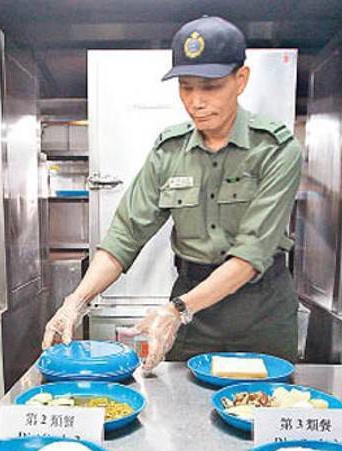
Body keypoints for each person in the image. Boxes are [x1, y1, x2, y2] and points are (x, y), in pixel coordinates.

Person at [42, 15, 302, 372]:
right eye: (186, 87)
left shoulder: (275, 149)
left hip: (261, 308)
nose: (196, 101)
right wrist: (75, 301)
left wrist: (177, 309)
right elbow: (125, 235)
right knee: (187, 412)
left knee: (263, 409)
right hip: (194, 309)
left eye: (210, 86)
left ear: (240, 80)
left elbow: (250, 253)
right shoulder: (169, 150)